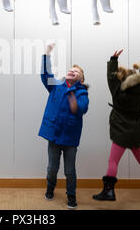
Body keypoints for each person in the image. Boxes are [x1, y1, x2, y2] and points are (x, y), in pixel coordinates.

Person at [93, 48, 140, 201]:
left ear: (122, 79)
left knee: (113, 161)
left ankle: (108, 192)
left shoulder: (118, 91)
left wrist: (113, 59)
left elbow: (110, 78)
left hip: (120, 131)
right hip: (136, 131)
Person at [39, 43, 89, 209]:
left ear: (81, 80)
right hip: (54, 135)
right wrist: (47, 53)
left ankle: (71, 197)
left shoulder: (82, 92)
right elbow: (45, 74)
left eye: (77, 71)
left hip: (70, 139)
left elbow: (83, 107)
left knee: (70, 171)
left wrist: (75, 105)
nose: (72, 71)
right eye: (71, 69)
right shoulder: (56, 86)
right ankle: (50, 188)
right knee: (52, 168)